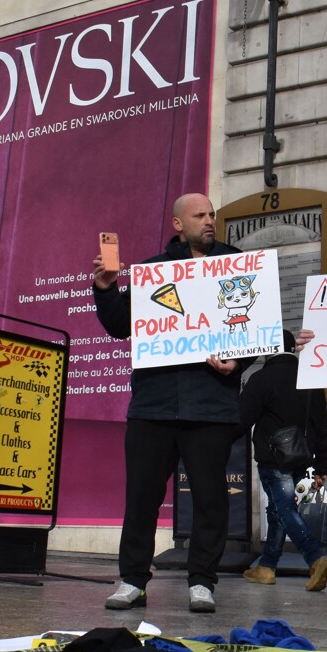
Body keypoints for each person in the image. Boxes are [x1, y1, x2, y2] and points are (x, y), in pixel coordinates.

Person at [93, 193, 246, 613]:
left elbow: (252, 326)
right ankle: (132, 580)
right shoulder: (149, 271)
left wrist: (240, 361)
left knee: (211, 498)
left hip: (210, 403)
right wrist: (105, 289)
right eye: (200, 215)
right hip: (153, 405)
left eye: (212, 214)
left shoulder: (235, 264)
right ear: (179, 224)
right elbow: (120, 327)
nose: (210, 220)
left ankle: (202, 582)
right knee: (141, 496)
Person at [240, 330, 327, 591]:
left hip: (273, 460)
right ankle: (267, 566)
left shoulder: (260, 379)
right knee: (277, 510)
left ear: (268, 350)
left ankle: (315, 559)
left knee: (284, 510)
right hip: (301, 457)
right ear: (292, 348)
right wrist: (322, 465)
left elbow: (242, 419)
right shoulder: (309, 380)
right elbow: (322, 425)